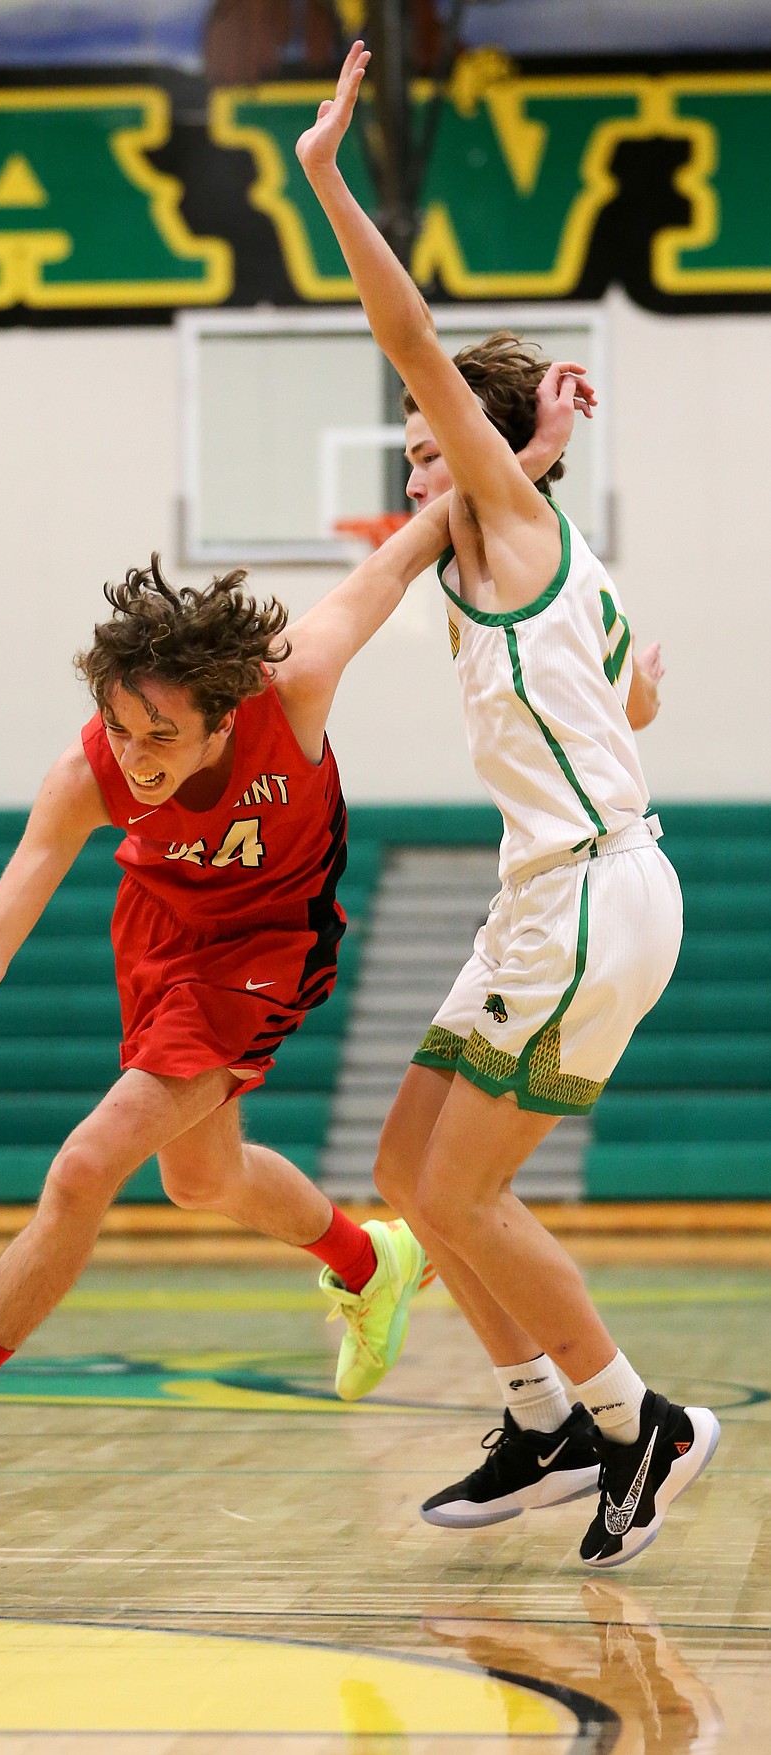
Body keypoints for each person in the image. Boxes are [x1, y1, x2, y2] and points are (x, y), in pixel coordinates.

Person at [0, 380, 577, 1511]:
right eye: (121, 727)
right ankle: (373, 1263)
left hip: (268, 942)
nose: (138, 754)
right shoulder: (88, 774)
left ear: (224, 710)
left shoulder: (294, 683)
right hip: (162, 938)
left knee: (84, 1167)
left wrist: (535, 459)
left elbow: (408, 548)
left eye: (161, 734)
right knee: (199, 1176)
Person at [295, 42, 718, 1568]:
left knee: (466, 1195)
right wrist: (630, 685)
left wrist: (328, 175)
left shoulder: (511, 515)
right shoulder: (528, 554)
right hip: (548, 887)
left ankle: (637, 1419)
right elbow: (635, 702)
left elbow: (410, 335)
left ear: (474, 441)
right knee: (408, 1178)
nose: (415, 472)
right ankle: (539, 1414)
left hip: (594, 890)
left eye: (427, 446)